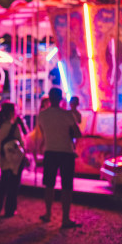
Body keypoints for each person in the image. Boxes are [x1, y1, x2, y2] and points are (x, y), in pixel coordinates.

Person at [38, 87, 82, 228]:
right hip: (66, 152)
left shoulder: (42, 115)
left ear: (49, 98)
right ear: (61, 99)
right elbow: (77, 133)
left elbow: (43, 131)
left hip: (50, 151)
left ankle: (48, 214)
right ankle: (65, 219)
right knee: (66, 186)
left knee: (49, 185)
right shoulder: (67, 115)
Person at [0, 102, 26, 217]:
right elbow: (22, 142)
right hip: (14, 159)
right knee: (14, 185)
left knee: (3, 182)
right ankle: (10, 209)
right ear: (12, 113)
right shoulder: (14, 127)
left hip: (3, 158)